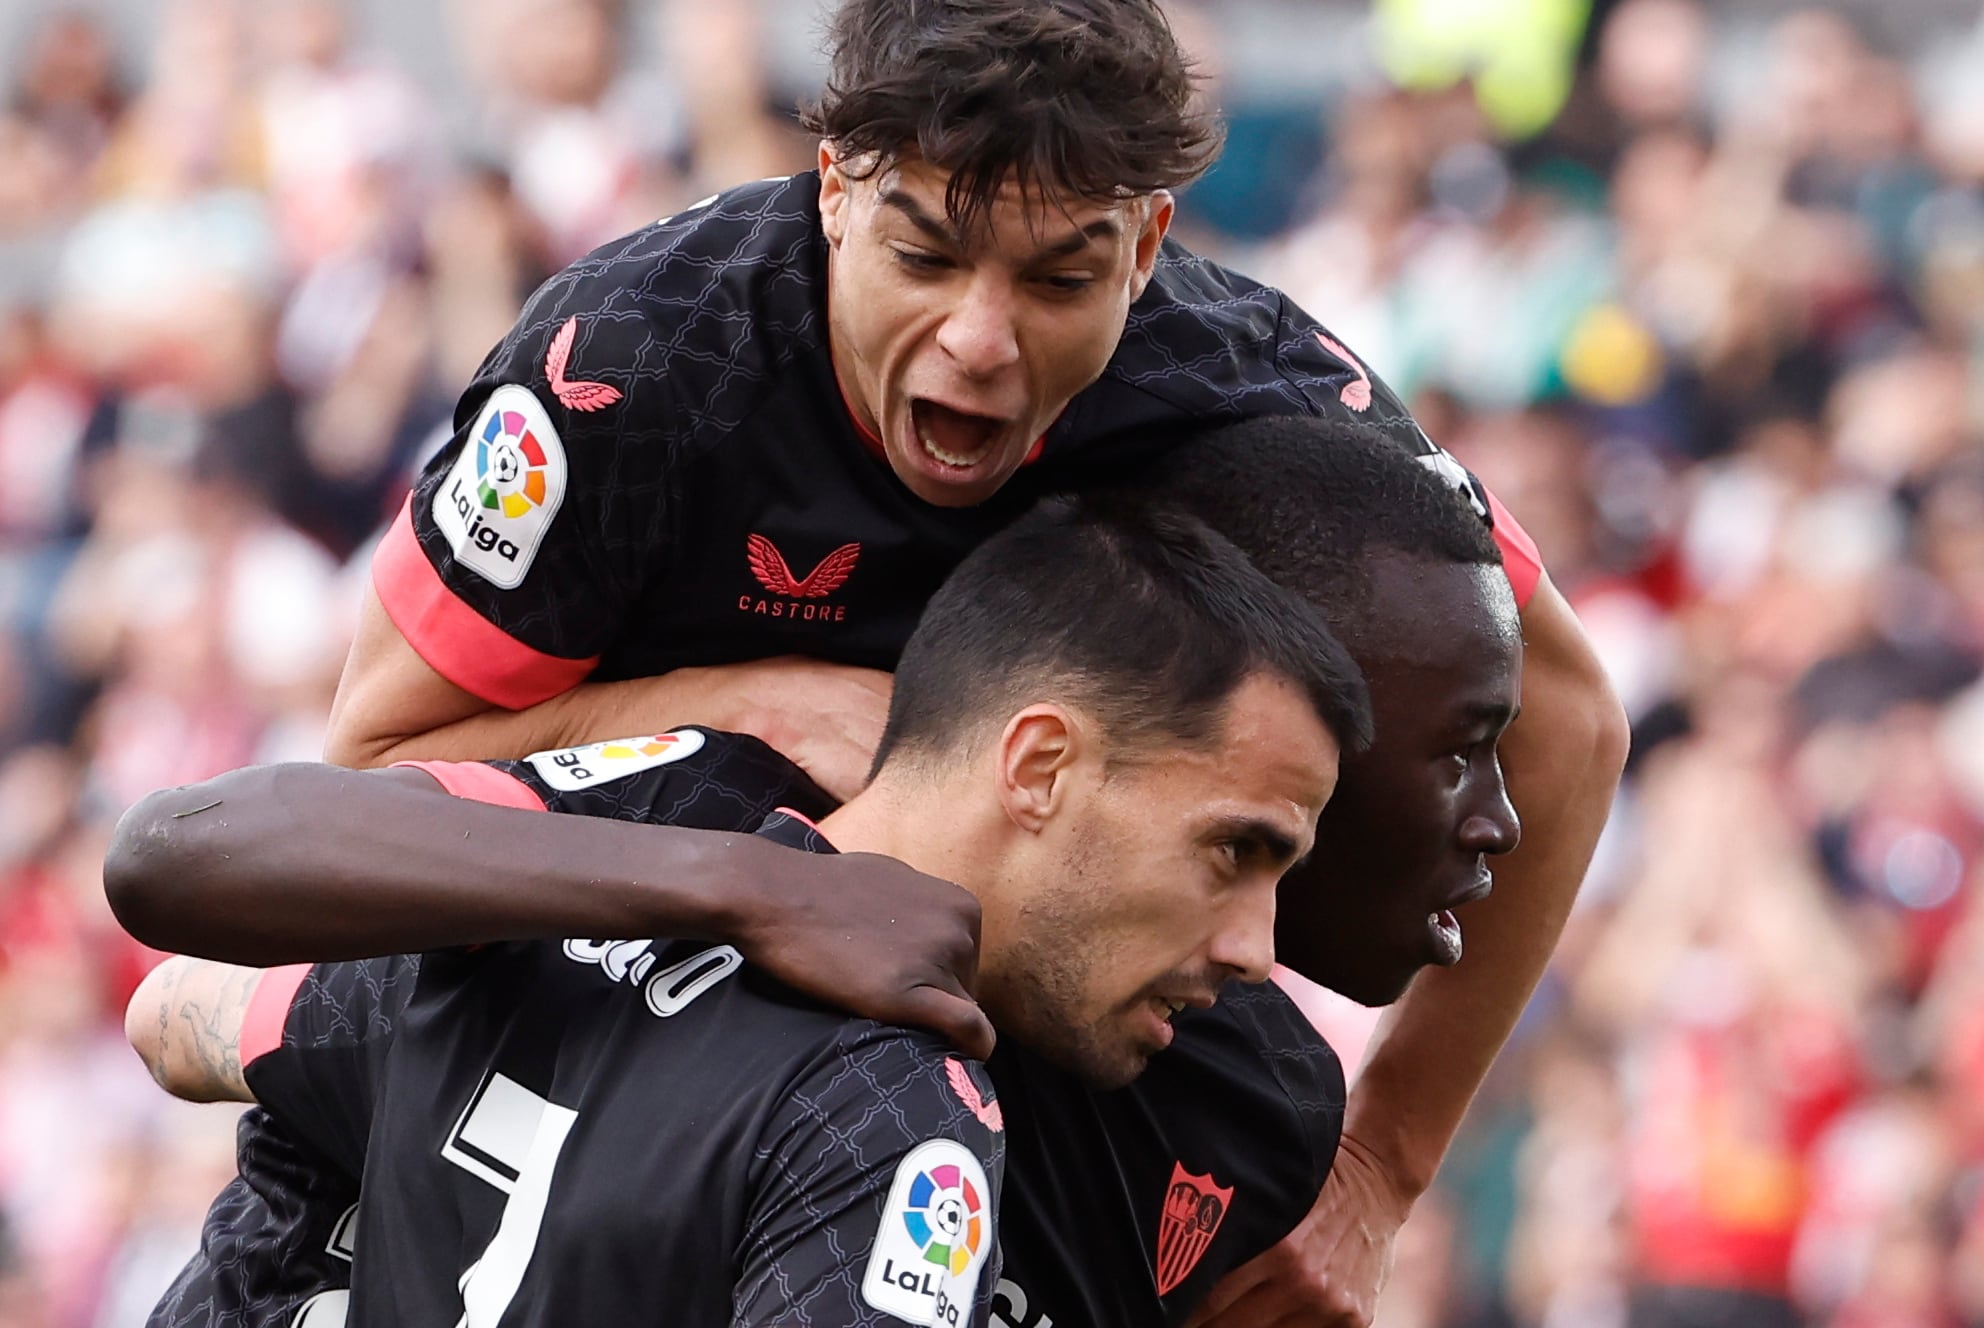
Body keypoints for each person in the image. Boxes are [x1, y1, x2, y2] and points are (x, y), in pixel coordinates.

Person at [319, 5, 1627, 1309]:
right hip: (629, 992)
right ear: (833, 187)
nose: (980, 342)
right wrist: (745, 712)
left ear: (1148, 247)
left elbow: (1566, 719)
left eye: (1060, 279)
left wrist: (1381, 1170)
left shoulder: (1248, 381)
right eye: (925, 255)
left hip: (1044, 1021)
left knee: (1268, 1137)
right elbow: (373, 766)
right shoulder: (629, 364)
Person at [116, 417, 1524, 1326]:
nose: (1251, 942)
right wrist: (745, 885)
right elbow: (182, 933)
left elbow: (200, 1017)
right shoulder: (726, 891)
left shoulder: (1250, 1110)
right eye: (1236, 851)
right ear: (1037, 766)